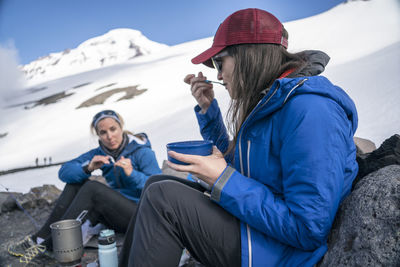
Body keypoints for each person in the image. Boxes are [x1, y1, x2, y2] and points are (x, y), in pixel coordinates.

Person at [119, 8, 358, 267]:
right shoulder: (272, 100)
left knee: (163, 198)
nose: (218, 75)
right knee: (157, 182)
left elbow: (308, 228)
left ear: (248, 55)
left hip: (279, 252)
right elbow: (241, 165)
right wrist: (209, 111)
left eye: (220, 62)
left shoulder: (310, 110)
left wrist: (223, 179)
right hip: (257, 231)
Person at [7, 109, 161, 265]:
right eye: (103, 132)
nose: (109, 136)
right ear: (98, 135)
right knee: (77, 182)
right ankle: (40, 238)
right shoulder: (101, 152)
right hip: (115, 216)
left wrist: (132, 173)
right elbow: (65, 171)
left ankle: (50, 246)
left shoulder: (142, 152)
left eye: (113, 129)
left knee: (93, 188)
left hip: (141, 215)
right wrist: (88, 167)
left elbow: (157, 188)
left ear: (121, 127)